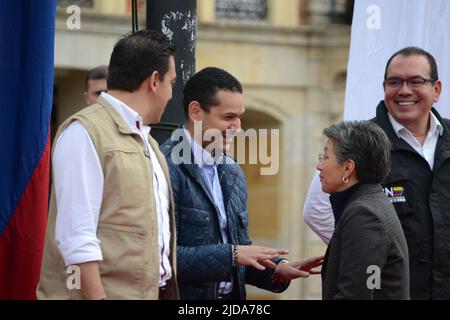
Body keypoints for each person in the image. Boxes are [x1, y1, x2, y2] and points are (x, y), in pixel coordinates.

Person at [37, 30, 179, 300]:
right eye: (172, 83)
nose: (172, 94)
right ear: (154, 81)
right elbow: (76, 237)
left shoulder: (150, 145)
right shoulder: (84, 132)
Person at [161, 67, 323, 300]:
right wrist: (232, 255)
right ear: (196, 111)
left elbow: (240, 251)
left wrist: (277, 270)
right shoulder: (164, 166)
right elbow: (160, 258)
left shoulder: (233, 171)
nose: (238, 128)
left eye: (240, 117)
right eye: (228, 117)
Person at [304, 47, 450, 299]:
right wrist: (371, 254)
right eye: (395, 82)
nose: (404, 90)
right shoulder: (361, 143)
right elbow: (316, 211)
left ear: (436, 89)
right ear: (384, 87)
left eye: (416, 81)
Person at [318, 121, 409, 299]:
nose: (319, 166)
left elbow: (353, 294)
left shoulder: (364, 215)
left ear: (347, 168)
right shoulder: (368, 202)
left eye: (325, 157)